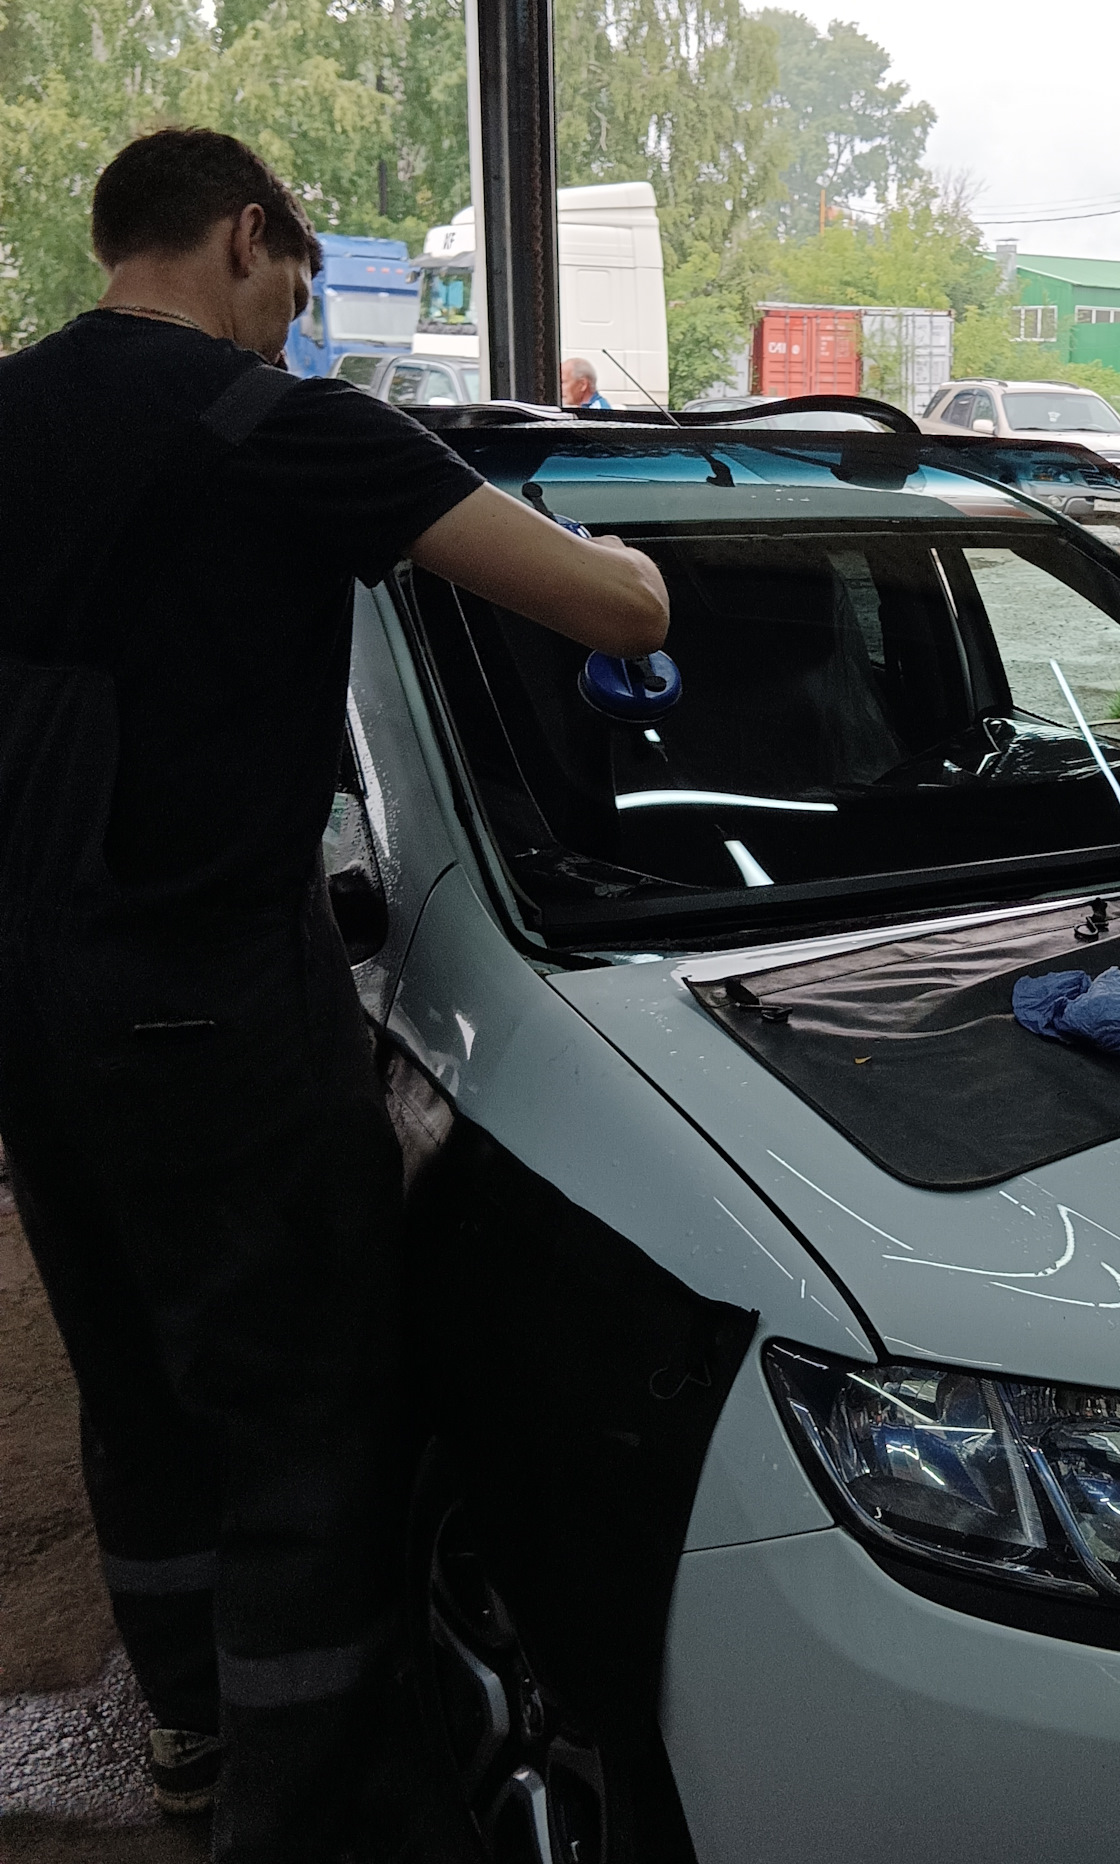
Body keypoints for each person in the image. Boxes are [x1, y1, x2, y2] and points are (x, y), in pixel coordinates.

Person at [0, 128, 668, 1864]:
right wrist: (638, 574)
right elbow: (616, 605)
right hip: (210, 1006)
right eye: (293, 286)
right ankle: (295, 1817)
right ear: (248, 236)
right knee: (302, 1414)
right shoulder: (285, 428)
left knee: (132, 1381)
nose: (291, 324)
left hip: (30, 1011)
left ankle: (188, 1733)